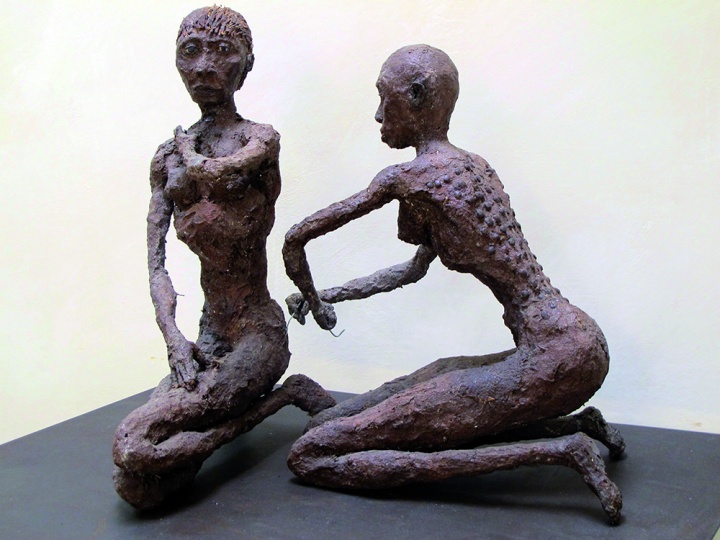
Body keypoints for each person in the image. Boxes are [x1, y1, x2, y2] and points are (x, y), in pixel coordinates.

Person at [283, 44, 625, 524]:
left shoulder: (407, 179)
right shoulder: (472, 167)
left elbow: (295, 240)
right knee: (344, 415)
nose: (378, 114)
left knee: (310, 453)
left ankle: (564, 450)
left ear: (416, 96)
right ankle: (576, 425)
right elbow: (410, 270)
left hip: (556, 357)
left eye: (385, 98)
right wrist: (327, 296)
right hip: (573, 339)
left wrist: (313, 299)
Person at [112, 7, 334, 510]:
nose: (204, 67)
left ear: (246, 64)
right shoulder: (165, 158)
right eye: (190, 52)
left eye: (222, 51)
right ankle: (279, 399)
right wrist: (174, 340)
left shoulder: (260, 140)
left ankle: (284, 394)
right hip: (206, 338)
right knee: (138, 485)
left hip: (258, 332)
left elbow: (215, 173)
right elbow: (156, 262)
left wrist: (189, 155)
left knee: (135, 444)